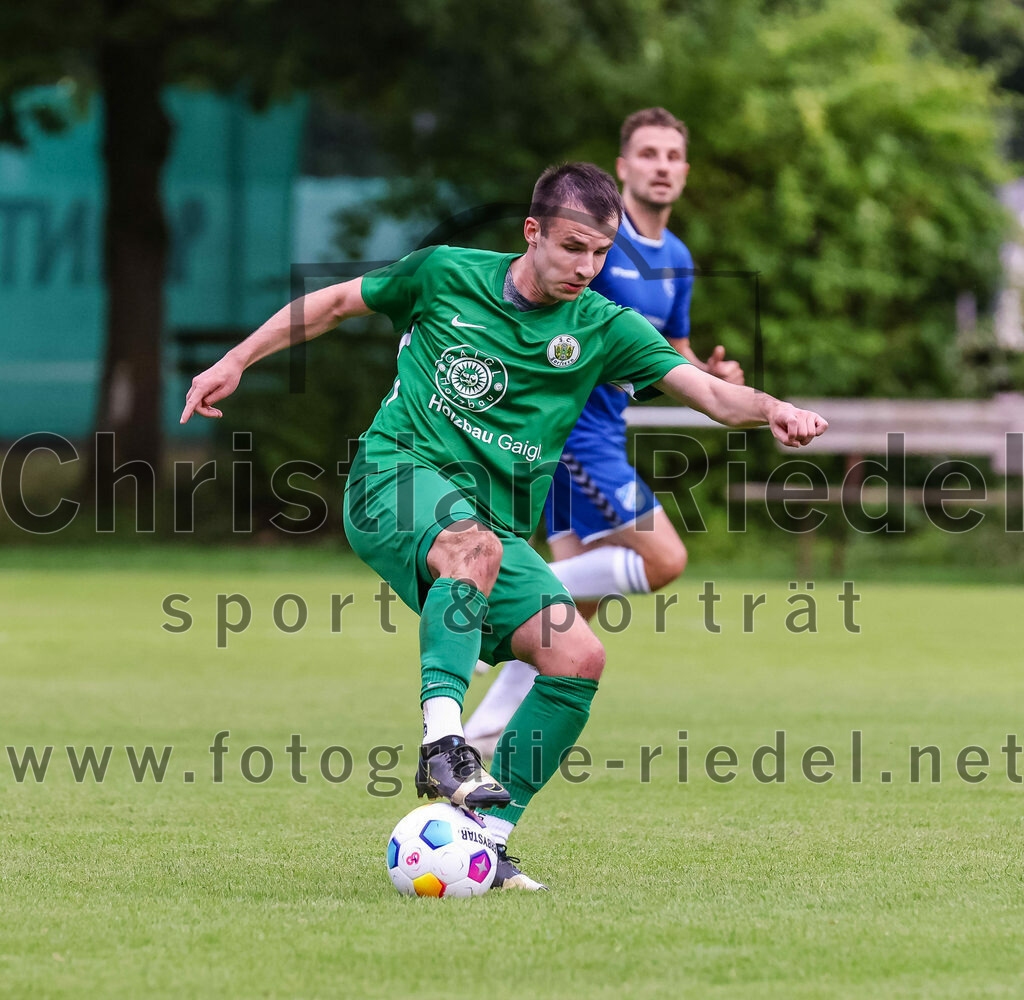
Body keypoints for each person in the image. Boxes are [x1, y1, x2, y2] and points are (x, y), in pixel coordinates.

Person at [181, 162, 827, 891]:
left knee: (577, 657)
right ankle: (443, 741)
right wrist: (234, 360)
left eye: (601, 252)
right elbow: (333, 304)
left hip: (494, 529)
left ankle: (484, 843)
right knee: (472, 544)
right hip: (395, 477)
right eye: (572, 247)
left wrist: (771, 408)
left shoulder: (605, 328)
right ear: (533, 233)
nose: (587, 267)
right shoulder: (445, 273)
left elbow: (707, 391)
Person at [465, 109, 743, 755]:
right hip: (570, 440)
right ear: (623, 168)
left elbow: (668, 355)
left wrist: (710, 373)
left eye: (673, 155)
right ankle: (490, 606)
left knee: (569, 621)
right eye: (648, 154)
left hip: (603, 439)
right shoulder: (591, 245)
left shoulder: (676, 257)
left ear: (685, 170)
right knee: (664, 558)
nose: (662, 166)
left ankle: (481, 737)